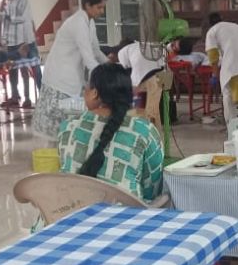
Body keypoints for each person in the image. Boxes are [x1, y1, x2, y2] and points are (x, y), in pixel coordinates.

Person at [57, 63, 164, 202]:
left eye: (87, 87)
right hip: (126, 213)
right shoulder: (145, 131)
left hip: (71, 211)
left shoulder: (68, 127)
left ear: (95, 93)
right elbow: (153, 189)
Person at [35, 0, 109, 142]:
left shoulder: (89, 22)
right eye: (99, 7)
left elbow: (96, 51)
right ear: (88, 5)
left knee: (70, 131)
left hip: (71, 79)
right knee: (59, 134)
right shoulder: (78, 23)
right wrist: (108, 78)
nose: (102, 11)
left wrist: (111, 65)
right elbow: (89, 59)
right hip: (60, 81)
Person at [0, 0, 41, 109]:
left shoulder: (23, 1)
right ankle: (15, 97)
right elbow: (3, 21)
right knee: (12, 70)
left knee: (27, 70)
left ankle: (30, 98)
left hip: (23, 42)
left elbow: (25, 21)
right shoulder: (7, 3)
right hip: (11, 42)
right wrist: (3, 41)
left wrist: (27, 42)